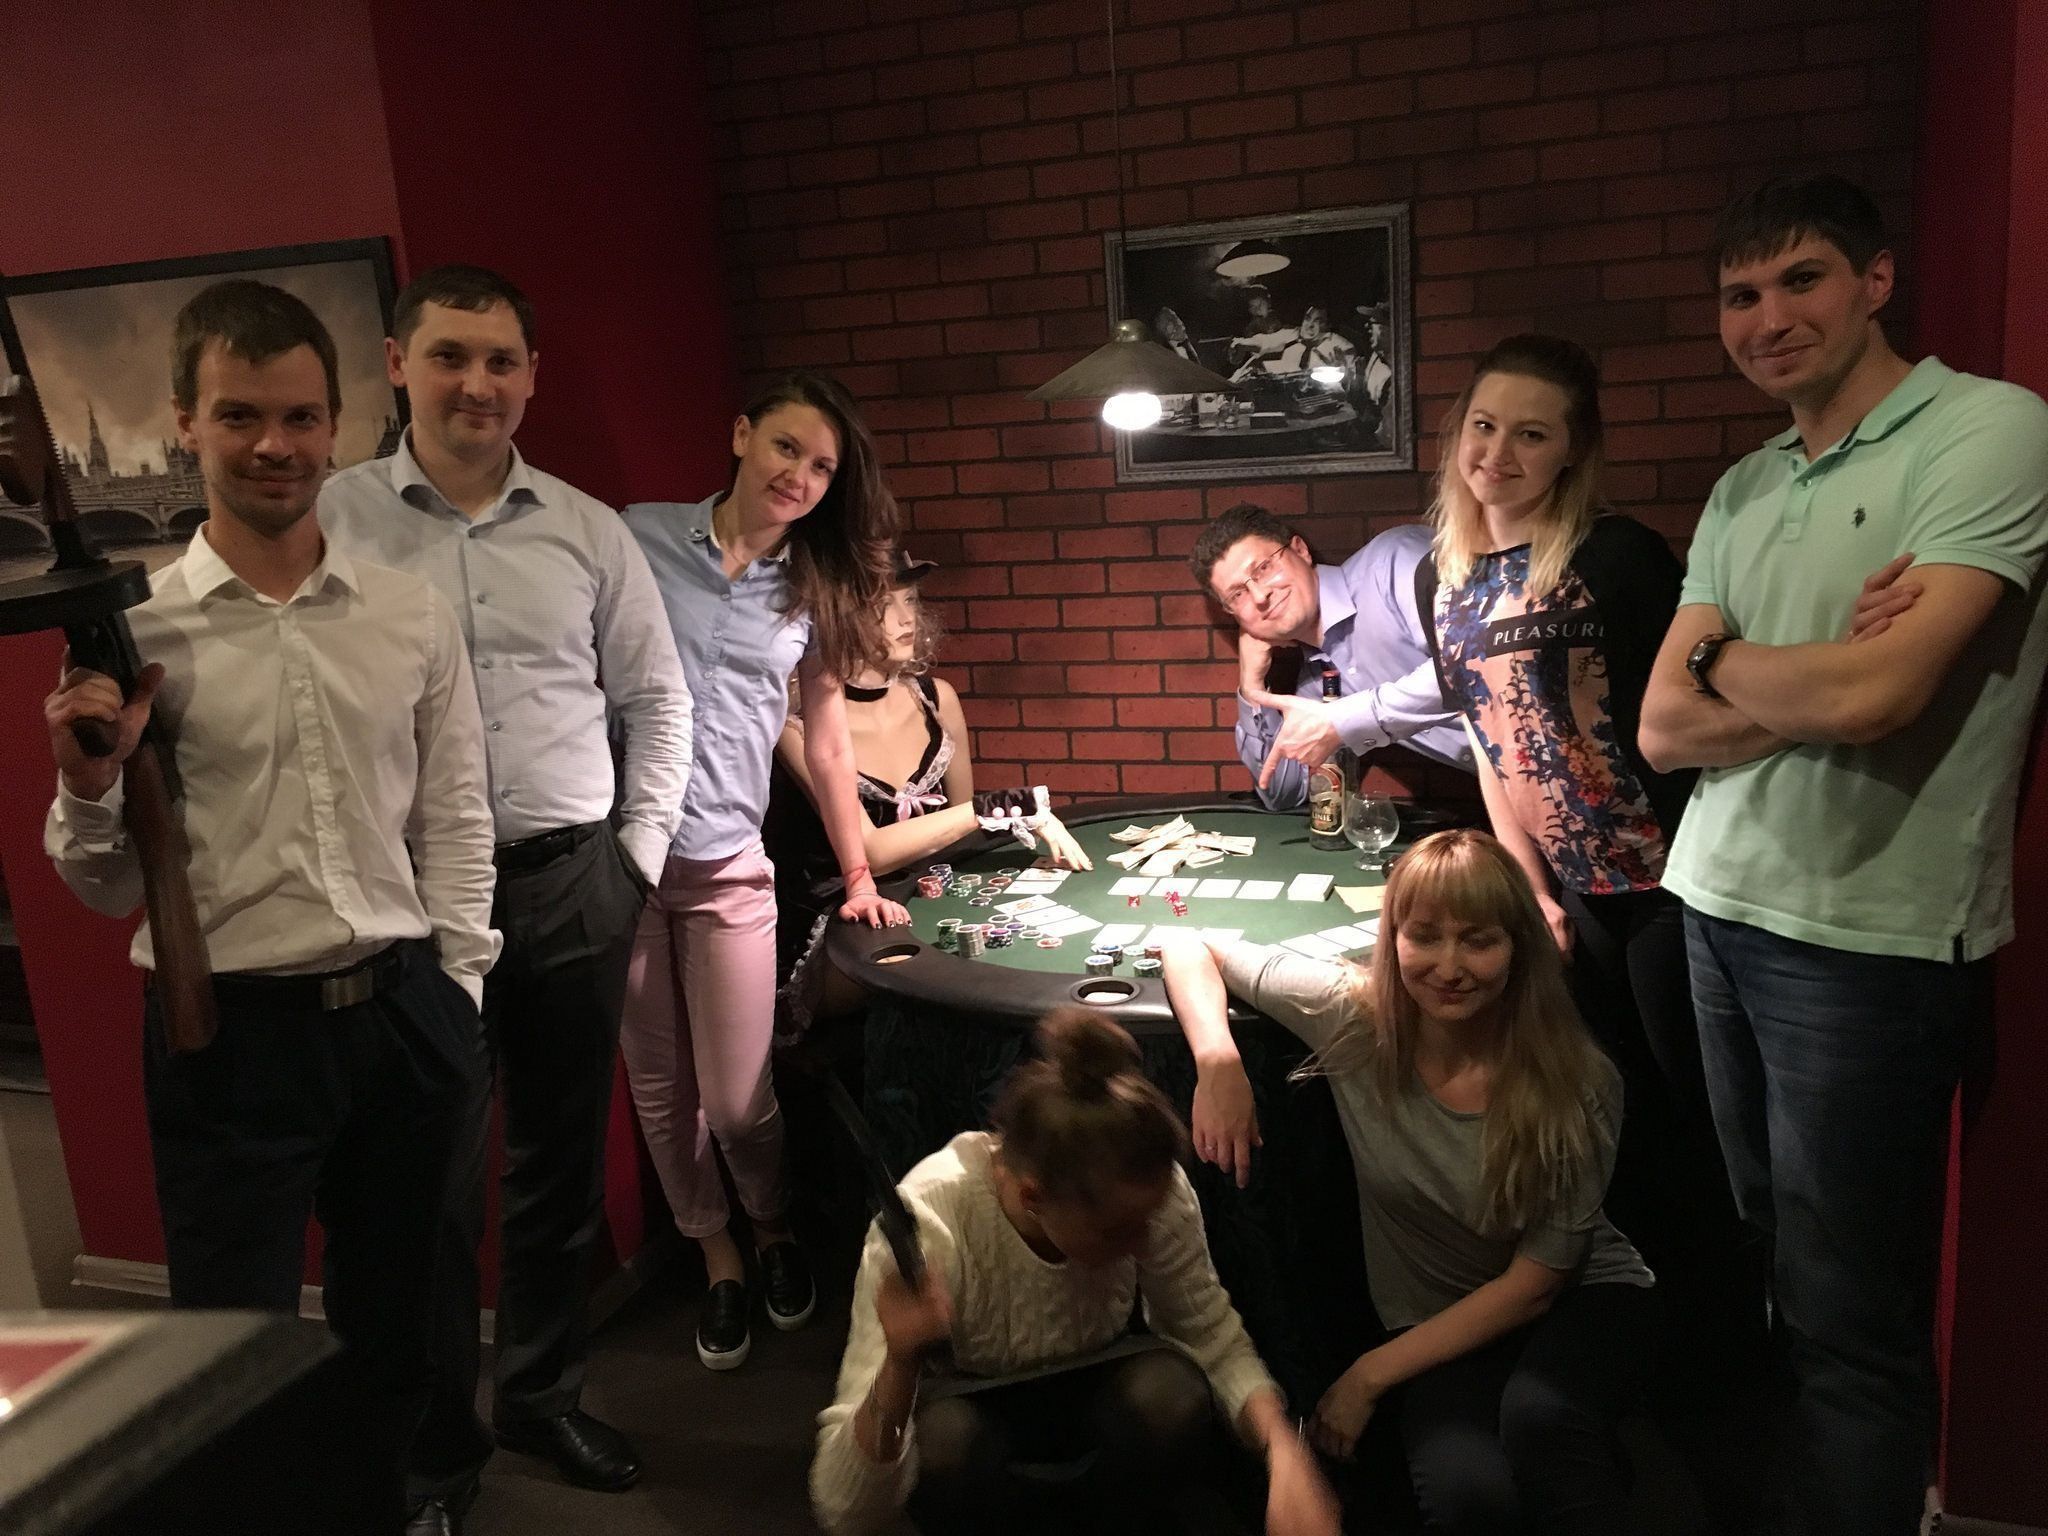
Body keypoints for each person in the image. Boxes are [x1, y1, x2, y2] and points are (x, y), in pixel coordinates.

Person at [40, 279, 497, 1528]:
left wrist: (459, 992)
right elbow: (106, 887)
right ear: (185, 421)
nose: (275, 446)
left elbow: (455, 816)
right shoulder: (134, 633)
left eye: (299, 417)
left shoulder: (407, 614)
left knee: (398, 1327)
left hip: (402, 1021)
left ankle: (387, 1505)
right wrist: (86, 784)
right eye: (240, 415)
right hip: (227, 1038)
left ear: (335, 423)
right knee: (232, 1351)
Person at [1638, 174, 2048, 1536]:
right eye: (1739, 295)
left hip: (1869, 939)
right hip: (1712, 907)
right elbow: (1659, 727)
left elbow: (1880, 697)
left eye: (1800, 279)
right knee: (1767, 1263)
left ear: (1875, 280)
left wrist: (1728, 658)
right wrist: (1804, 673)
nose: (1766, 317)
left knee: (1851, 1312)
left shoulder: (1989, 429)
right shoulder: (1744, 481)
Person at [321, 264, 692, 1526]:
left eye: (498, 360)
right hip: (411, 908)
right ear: (396, 364)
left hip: (572, 885)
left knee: (556, 1168)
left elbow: (656, 700)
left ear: (530, 377)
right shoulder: (333, 521)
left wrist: (634, 862)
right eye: (449, 356)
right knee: (425, 1189)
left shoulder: (586, 530)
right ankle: (436, 1456)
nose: (475, 383)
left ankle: (540, 1395)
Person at [1419, 332, 1769, 1526]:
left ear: (1571, 450)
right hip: (1563, 898)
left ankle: (1725, 1390)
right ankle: (1640, 1368)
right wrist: (1523, 886)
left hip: (1666, 889)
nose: (1498, 452)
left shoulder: (1614, 558)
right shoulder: (1441, 577)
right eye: (1483, 426)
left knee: (1691, 1139)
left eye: (1530, 432)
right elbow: (1487, 741)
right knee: (1603, 1135)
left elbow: (1693, 705)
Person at [1162, 830, 1657, 1534]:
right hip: (1439, 1317)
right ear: (1392, 938)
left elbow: (1536, 1284)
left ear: (1519, 947)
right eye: (1424, 936)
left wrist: (1368, 1375)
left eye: (1478, 941)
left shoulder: (1577, 1079)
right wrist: (1218, 1062)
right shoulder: (1354, 1016)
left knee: (1542, 1420)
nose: (1449, 967)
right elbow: (1189, 945)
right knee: (1467, 1496)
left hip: (1582, 1298)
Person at [622, 371, 909, 1375]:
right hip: (622, 868)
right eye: (788, 447)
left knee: (741, 1101)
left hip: (729, 868)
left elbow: (827, 747)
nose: (801, 476)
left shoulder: (810, 587)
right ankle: (716, 1257)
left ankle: (773, 1227)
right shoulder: (635, 537)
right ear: (741, 434)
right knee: (663, 1095)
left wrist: (858, 872)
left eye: (822, 467)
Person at [810, 1006, 1341, 1536]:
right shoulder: (932, 1221)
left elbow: (1210, 1336)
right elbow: (842, 1511)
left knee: (1169, 1394)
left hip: (1101, 1406)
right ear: (1032, 1197)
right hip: (979, 1429)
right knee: (944, 1442)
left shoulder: (1150, 1196)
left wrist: (1283, 1450)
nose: (1142, 1242)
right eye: (1116, 1231)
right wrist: (900, 1364)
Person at [764, 550, 1091, 1036]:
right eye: (882, 606)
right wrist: (1004, 807)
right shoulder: (795, 724)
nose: (905, 619)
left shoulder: (937, 698)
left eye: (911, 600)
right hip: (840, 923)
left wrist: (1012, 858)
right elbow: (871, 852)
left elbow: (962, 839)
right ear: (836, 618)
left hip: (928, 901)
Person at [1188, 502, 1472, 812]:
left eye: (1264, 568)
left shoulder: (1391, 563)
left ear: (1300, 550)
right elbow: (1284, 793)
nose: (1259, 596)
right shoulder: (1315, 686)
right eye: (1237, 594)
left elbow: (1473, 665)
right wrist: (1251, 684)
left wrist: (1346, 721)